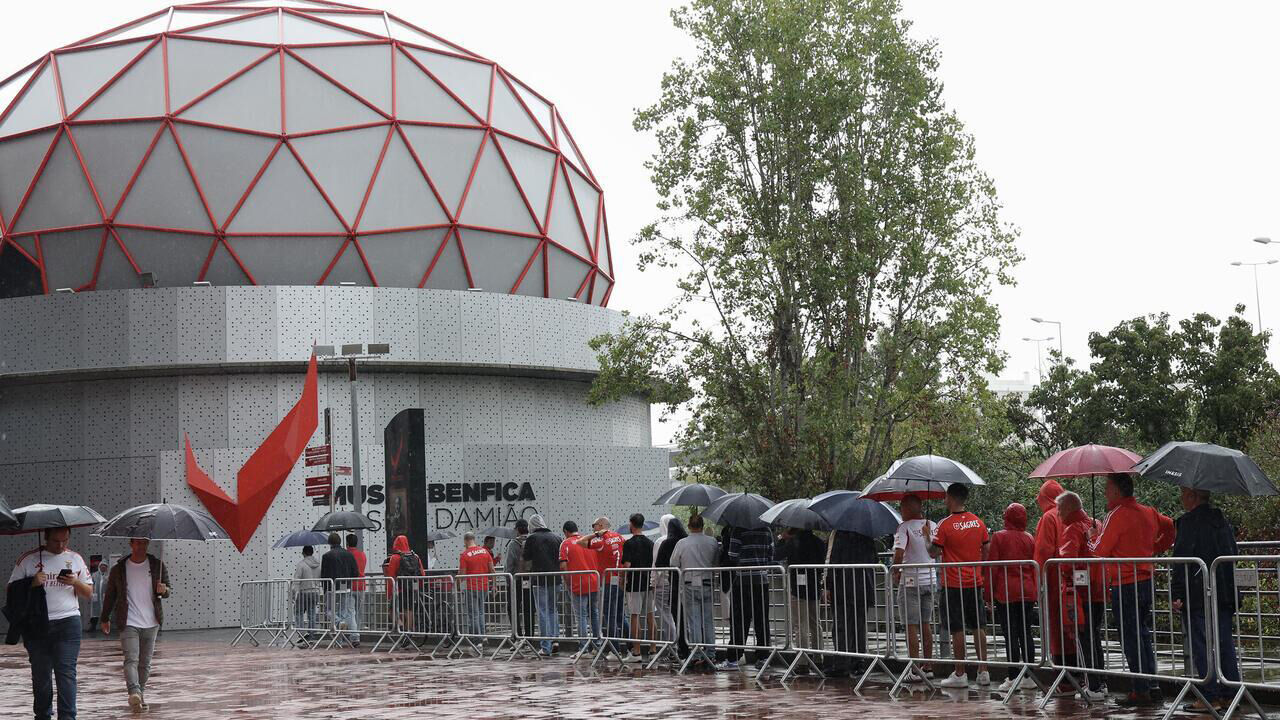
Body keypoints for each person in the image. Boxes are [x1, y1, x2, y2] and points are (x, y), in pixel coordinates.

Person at [1088, 473, 1174, 706]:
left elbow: (1099, 550)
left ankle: (1140, 688)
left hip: (1125, 583)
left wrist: (1092, 536)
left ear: (1117, 491)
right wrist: (1156, 548)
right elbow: (1170, 526)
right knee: (1143, 633)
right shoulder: (1149, 512)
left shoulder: (1116, 515)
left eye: (1107, 488)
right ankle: (1151, 684)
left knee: (1130, 636)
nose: (1105, 492)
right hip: (1146, 580)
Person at [9, 527, 93, 720]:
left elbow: (88, 593)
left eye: (65, 540)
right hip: (37, 625)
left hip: (68, 623)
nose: (61, 545)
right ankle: (43, 715)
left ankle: (67, 717)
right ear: (45, 538)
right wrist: (31, 582)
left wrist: (74, 582)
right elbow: (11, 591)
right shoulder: (28, 559)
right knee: (41, 676)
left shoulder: (75, 558)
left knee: (66, 674)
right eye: (56, 541)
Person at [1170, 487, 1240, 712]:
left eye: (1183, 493)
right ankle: (1231, 693)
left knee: (1201, 643)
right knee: (1224, 643)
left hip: (1197, 593)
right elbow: (1233, 553)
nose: (1181, 497)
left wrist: (1177, 593)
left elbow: (1182, 560)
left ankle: (1208, 696)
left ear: (1193, 497)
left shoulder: (1188, 523)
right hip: (1224, 591)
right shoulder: (1222, 522)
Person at [99, 538, 171, 710]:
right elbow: (110, 595)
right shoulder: (119, 569)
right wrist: (104, 618)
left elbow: (168, 590)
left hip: (151, 621)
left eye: (144, 543)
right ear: (131, 544)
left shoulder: (157, 566)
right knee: (131, 659)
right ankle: (134, 692)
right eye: (137, 544)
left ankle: (140, 694)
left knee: (145, 664)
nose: (141, 547)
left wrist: (164, 590)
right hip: (128, 620)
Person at [931, 483, 990, 688]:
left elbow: (933, 552)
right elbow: (986, 548)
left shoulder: (944, 525)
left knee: (957, 628)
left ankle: (960, 672)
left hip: (953, 584)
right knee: (978, 625)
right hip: (974, 582)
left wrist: (927, 535)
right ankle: (983, 671)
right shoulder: (978, 522)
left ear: (950, 497)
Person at [1056, 491, 1107, 701]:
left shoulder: (1072, 529)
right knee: (1095, 637)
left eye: (1059, 509)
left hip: (1081, 592)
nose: (1058, 514)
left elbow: (1066, 563)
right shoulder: (1097, 524)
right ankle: (1101, 683)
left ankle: (1092, 686)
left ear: (1068, 508)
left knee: (1084, 639)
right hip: (1099, 589)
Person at [985, 502, 1038, 691]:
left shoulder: (999, 537)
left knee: (1011, 634)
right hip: (1027, 591)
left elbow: (993, 567)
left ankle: (1013, 676)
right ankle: (1029, 675)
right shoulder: (1029, 537)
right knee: (1026, 633)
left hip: (1006, 592)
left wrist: (988, 594)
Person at [892, 494, 936, 681]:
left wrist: (896, 571)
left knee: (911, 624)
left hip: (910, 581)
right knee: (925, 623)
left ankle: (914, 668)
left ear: (909, 508)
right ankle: (928, 666)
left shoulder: (904, 527)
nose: (901, 511)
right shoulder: (932, 525)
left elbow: (899, 553)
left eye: (902, 507)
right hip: (930, 580)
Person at [824, 528, 878, 677]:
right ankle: (858, 662)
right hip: (863, 586)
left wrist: (827, 585)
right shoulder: (867, 534)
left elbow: (832, 560)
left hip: (842, 586)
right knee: (859, 626)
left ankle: (841, 663)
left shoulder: (838, 534)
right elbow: (874, 558)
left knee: (841, 626)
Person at [669, 513, 720, 669]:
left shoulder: (682, 543)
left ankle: (697, 653)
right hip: (707, 582)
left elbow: (673, 562)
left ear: (689, 526)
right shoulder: (712, 542)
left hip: (689, 583)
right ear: (703, 525)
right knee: (708, 619)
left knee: (694, 621)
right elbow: (716, 561)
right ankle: (711, 652)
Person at [722, 521, 774, 670]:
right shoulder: (766, 530)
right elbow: (771, 555)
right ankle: (763, 657)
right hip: (762, 580)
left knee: (739, 620)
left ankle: (734, 658)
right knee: (762, 620)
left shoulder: (738, 529)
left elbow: (732, 554)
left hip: (743, 580)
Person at [1033, 479, 1071, 669]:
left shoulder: (1049, 517)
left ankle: (1063, 675)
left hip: (1054, 580)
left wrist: (1037, 580)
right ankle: (1084, 675)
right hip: (1070, 578)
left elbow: (1042, 551)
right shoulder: (1071, 513)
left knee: (1057, 627)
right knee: (1073, 626)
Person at [775, 526, 826, 658]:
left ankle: (802, 660)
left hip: (798, 588)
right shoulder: (818, 542)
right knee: (816, 623)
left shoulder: (794, 543)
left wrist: (781, 539)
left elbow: (777, 554)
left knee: (800, 624)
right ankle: (818, 656)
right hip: (815, 586)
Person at [577, 516, 626, 645]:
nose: (593, 528)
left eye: (594, 525)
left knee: (609, 615)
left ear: (600, 526)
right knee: (621, 615)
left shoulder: (601, 541)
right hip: (620, 579)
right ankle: (630, 646)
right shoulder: (620, 537)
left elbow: (580, 542)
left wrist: (596, 535)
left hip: (609, 581)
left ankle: (614, 648)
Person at [522, 514, 561, 655]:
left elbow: (526, 558)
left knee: (542, 611)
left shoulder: (531, 538)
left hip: (539, 579)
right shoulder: (556, 537)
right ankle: (555, 639)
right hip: (556, 579)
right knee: (553, 610)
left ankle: (546, 646)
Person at [559, 521, 601, 652]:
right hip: (594, 581)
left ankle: (583, 646)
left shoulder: (565, 544)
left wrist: (568, 583)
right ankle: (597, 644)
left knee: (581, 616)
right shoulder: (588, 541)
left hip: (578, 584)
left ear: (566, 532)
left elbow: (563, 566)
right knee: (594, 613)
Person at [620, 513, 656, 662]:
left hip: (634, 584)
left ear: (631, 524)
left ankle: (637, 651)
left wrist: (622, 580)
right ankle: (653, 650)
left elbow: (627, 565)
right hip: (648, 583)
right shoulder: (651, 543)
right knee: (650, 615)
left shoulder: (628, 543)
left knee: (635, 616)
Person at [653, 515, 689, 662]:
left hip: (672, 584)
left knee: (675, 615)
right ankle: (696, 648)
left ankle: (681, 648)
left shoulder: (665, 542)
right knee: (690, 617)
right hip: (687, 584)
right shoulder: (685, 541)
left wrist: (654, 582)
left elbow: (659, 564)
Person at [320, 532, 360, 647]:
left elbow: (324, 575)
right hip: (346, 588)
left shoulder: (326, 556)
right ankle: (341, 635)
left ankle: (338, 626)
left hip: (331, 588)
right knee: (344, 611)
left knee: (329, 610)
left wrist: (325, 589)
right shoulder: (348, 555)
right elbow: (355, 572)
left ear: (329, 543)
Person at [384, 534, 423, 633]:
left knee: (391, 611)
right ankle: (408, 632)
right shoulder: (415, 556)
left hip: (400, 588)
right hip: (413, 588)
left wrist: (389, 593)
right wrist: (420, 586)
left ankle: (400, 626)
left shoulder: (395, 557)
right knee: (409, 610)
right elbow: (422, 573)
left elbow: (391, 576)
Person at [458, 532, 494, 636]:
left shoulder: (465, 555)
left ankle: (476, 639)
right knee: (481, 612)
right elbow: (492, 570)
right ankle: (483, 636)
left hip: (471, 587)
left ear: (465, 541)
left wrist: (458, 585)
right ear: (474, 539)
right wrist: (494, 585)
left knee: (473, 614)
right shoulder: (485, 552)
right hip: (484, 586)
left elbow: (463, 575)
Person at [507, 519, 533, 638]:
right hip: (530, 579)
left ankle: (517, 635)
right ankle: (530, 636)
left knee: (513, 608)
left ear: (517, 529)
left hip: (516, 581)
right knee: (529, 609)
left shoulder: (513, 544)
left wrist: (509, 580)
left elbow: (509, 564)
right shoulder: (532, 541)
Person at [292, 545, 322, 643]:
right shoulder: (318, 564)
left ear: (303, 553)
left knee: (298, 612)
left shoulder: (301, 565)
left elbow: (296, 580)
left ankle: (301, 633)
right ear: (312, 552)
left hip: (303, 592)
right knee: (312, 613)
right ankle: (312, 634)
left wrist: (293, 593)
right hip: (315, 592)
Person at [87, 557, 104, 634]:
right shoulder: (94, 575)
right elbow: (91, 584)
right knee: (95, 612)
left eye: (105, 566)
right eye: (102, 566)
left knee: (106, 613)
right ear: (99, 566)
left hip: (105, 597)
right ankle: (93, 627)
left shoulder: (108, 575)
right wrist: (92, 594)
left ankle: (106, 628)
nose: (103, 567)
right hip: (96, 596)